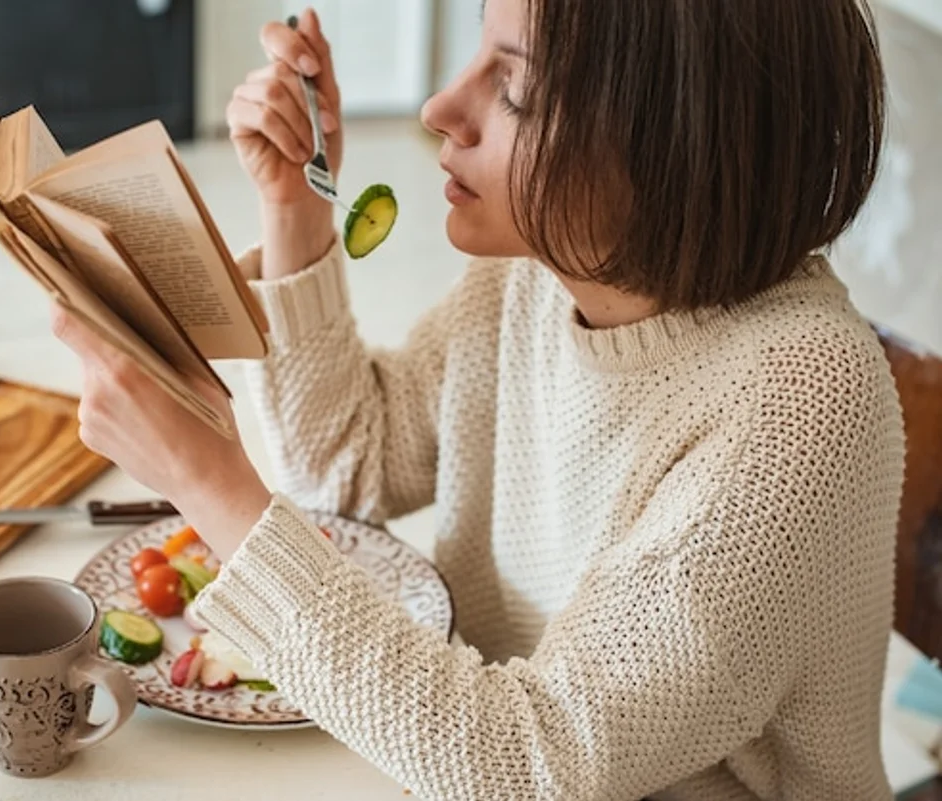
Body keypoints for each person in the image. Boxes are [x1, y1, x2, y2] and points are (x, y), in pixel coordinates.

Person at [50, 1, 905, 798]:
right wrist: (297, 206)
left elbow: (530, 759)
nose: (440, 108)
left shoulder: (802, 401)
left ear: (681, 140)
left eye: (519, 90)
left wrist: (207, 479)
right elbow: (355, 464)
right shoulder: (542, 277)